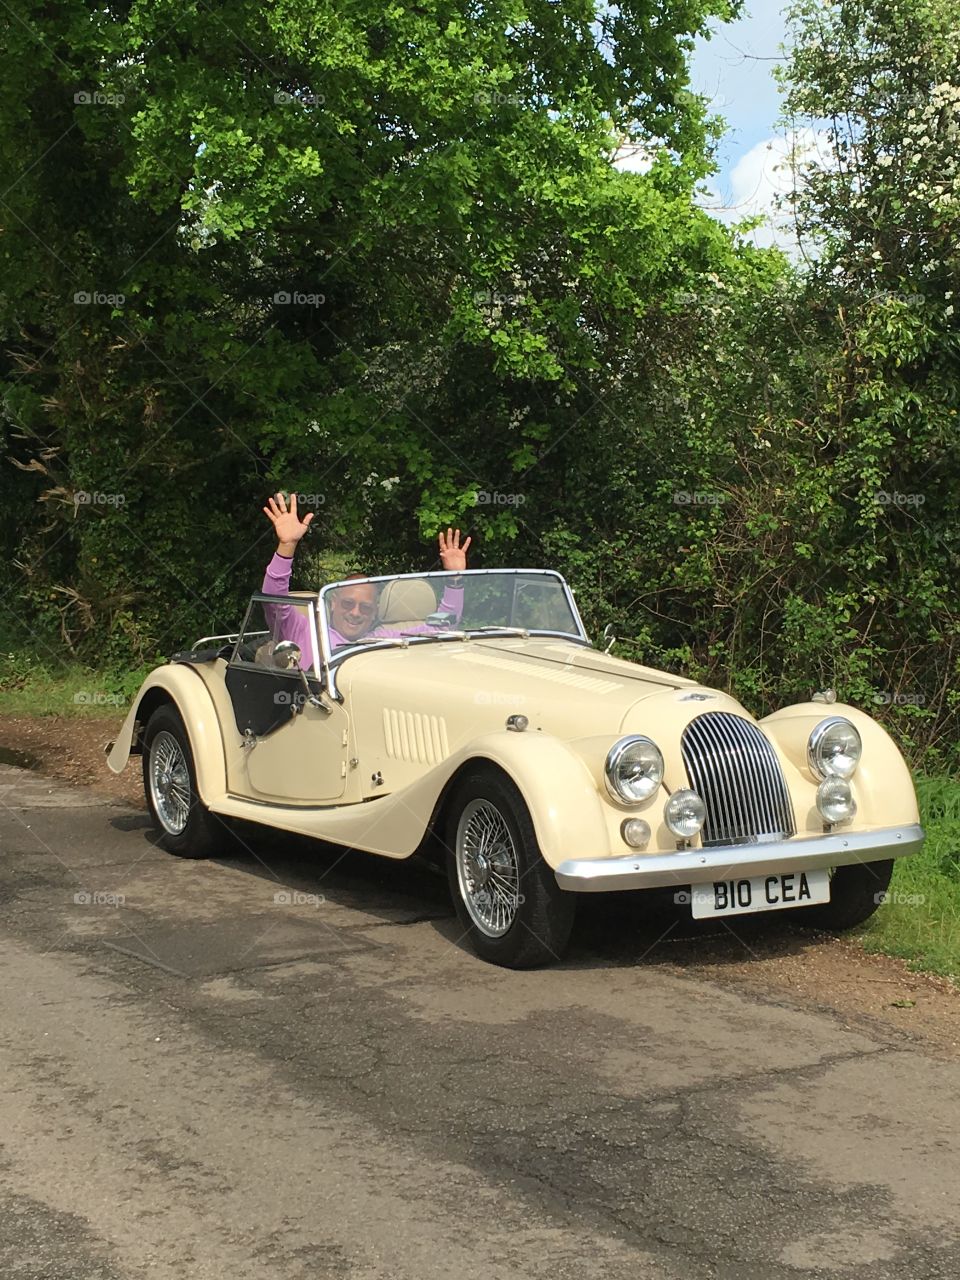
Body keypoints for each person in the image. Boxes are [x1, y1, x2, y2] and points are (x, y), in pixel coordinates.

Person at [260, 492, 471, 656]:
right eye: (348, 603)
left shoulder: (385, 638)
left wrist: (455, 578)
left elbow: (446, 625)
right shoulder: (305, 632)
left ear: (375, 612)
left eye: (365, 607)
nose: (355, 612)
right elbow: (274, 601)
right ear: (333, 603)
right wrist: (287, 545)